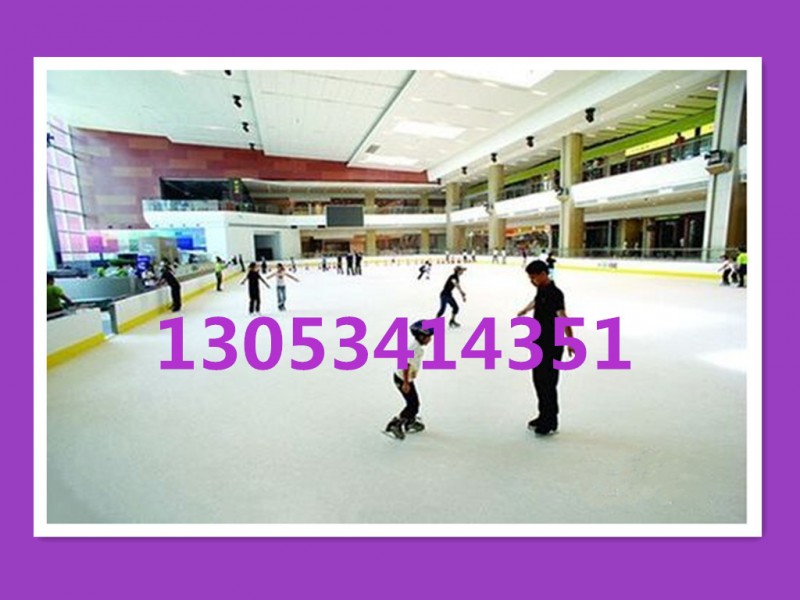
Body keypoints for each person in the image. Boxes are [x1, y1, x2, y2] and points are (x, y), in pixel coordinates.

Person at [517, 260, 576, 435]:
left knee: (548, 382)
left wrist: (570, 340)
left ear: (543, 274)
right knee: (538, 381)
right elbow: (536, 301)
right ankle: (543, 415)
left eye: (533, 277)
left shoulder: (556, 293)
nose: (531, 281)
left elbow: (563, 317)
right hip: (539, 342)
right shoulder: (541, 289)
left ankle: (550, 420)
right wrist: (525, 310)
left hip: (551, 344)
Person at [384, 320, 434, 440]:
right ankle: (395, 424)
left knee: (414, 403)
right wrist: (406, 383)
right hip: (402, 379)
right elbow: (405, 365)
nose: (430, 339)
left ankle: (409, 422)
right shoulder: (414, 348)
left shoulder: (417, 347)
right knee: (413, 405)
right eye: (428, 337)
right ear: (421, 336)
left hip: (406, 379)